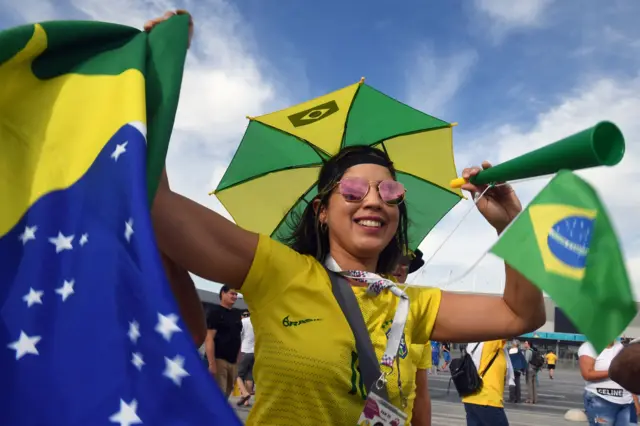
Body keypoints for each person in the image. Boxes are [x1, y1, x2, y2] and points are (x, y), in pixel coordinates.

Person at [147, 12, 545, 424]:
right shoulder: (277, 271)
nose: (373, 201)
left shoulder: (413, 304)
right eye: (353, 191)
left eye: (389, 191)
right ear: (322, 211)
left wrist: (511, 224)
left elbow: (521, 315)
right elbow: (156, 205)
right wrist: (156, 74)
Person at [393, 250, 431, 426]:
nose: (398, 267)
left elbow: (421, 393)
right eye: (392, 259)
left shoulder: (418, 319)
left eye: (404, 262)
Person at [579, 340, 633, 425]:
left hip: (628, 402)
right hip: (601, 399)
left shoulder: (620, 346)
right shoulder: (588, 347)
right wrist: (614, 371)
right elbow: (587, 374)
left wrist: (635, 401)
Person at [462, 340, 514, 426]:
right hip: (487, 400)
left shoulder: (475, 342)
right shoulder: (491, 341)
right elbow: (512, 329)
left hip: (471, 398)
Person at [205, 286, 243, 398]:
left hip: (233, 362)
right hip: (219, 359)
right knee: (218, 395)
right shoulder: (215, 312)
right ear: (223, 293)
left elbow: (238, 336)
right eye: (232, 293)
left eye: (236, 294)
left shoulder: (236, 314)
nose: (235, 297)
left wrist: (238, 359)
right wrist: (211, 363)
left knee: (226, 394)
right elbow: (209, 338)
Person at [236, 310, 255, 407]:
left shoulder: (244, 322)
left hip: (245, 350)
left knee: (238, 374)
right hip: (255, 352)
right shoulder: (256, 322)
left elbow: (238, 336)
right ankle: (247, 401)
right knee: (249, 376)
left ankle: (245, 393)